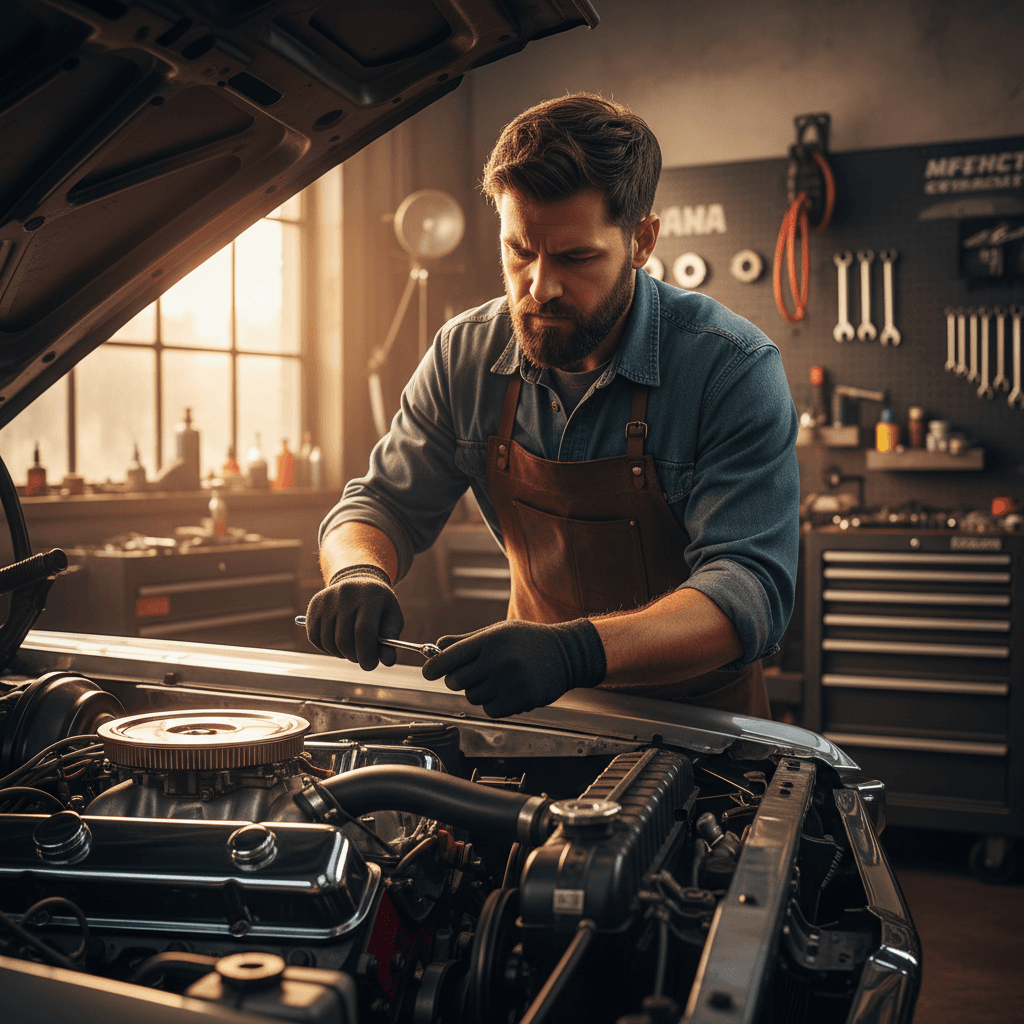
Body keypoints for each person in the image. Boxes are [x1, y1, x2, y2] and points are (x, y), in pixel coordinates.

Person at [305, 93, 799, 719]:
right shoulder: (466, 354)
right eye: (519, 251)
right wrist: (356, 573)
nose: (539, 287)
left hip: (701, 728)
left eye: (576, 257)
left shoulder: (730, 368)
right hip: (538, 710)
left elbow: (747, 590)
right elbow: (378, 505)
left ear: (641, 241)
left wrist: (572, 653)